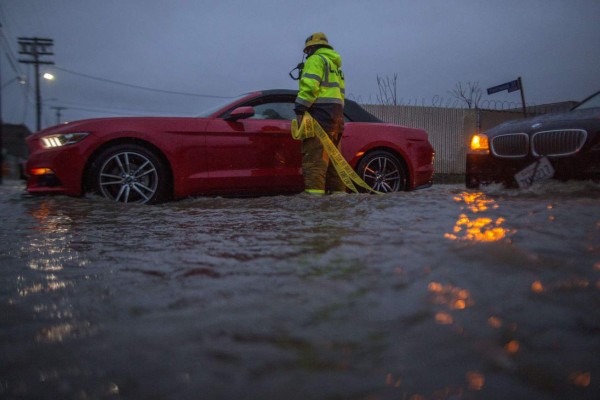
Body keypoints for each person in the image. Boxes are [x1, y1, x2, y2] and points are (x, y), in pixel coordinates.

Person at [294, 32, 346, 195]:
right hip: (336, 119)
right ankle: (338, 201)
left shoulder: (315, 60)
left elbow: (309, 87)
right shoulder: (335, 66)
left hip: (318, 118)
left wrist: (300, 109)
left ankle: (314, 207)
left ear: (311, 48)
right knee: (334, 166)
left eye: (307, 51)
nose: (307, 55)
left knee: (315, 163)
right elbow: (340, 95)